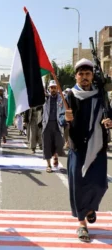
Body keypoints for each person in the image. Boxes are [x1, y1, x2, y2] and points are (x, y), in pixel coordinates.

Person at [65, 58, 112, 242]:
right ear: (76, 77)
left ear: (92, 75)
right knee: (78, 186)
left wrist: (109, 121)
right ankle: (82, 223)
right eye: (81, 74)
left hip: (98, 145)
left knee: (100, 183)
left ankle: (91, 208)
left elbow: (110, 112)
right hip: (77, 146)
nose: (84, 77)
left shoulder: (100, 93)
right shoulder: (70, 95)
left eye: (87, 74)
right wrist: (66, 117)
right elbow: (63, 116)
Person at [42, 80, 65, 173]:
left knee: (59, 143)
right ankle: (48, 165)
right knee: (46, 144)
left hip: (57, 124)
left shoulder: (62, 98)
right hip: (47, 124)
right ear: (49, 89)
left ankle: (55, 154)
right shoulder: (45, 99)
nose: (53, 90)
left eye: (55, 88)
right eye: (51, 88)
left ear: (57, 89)